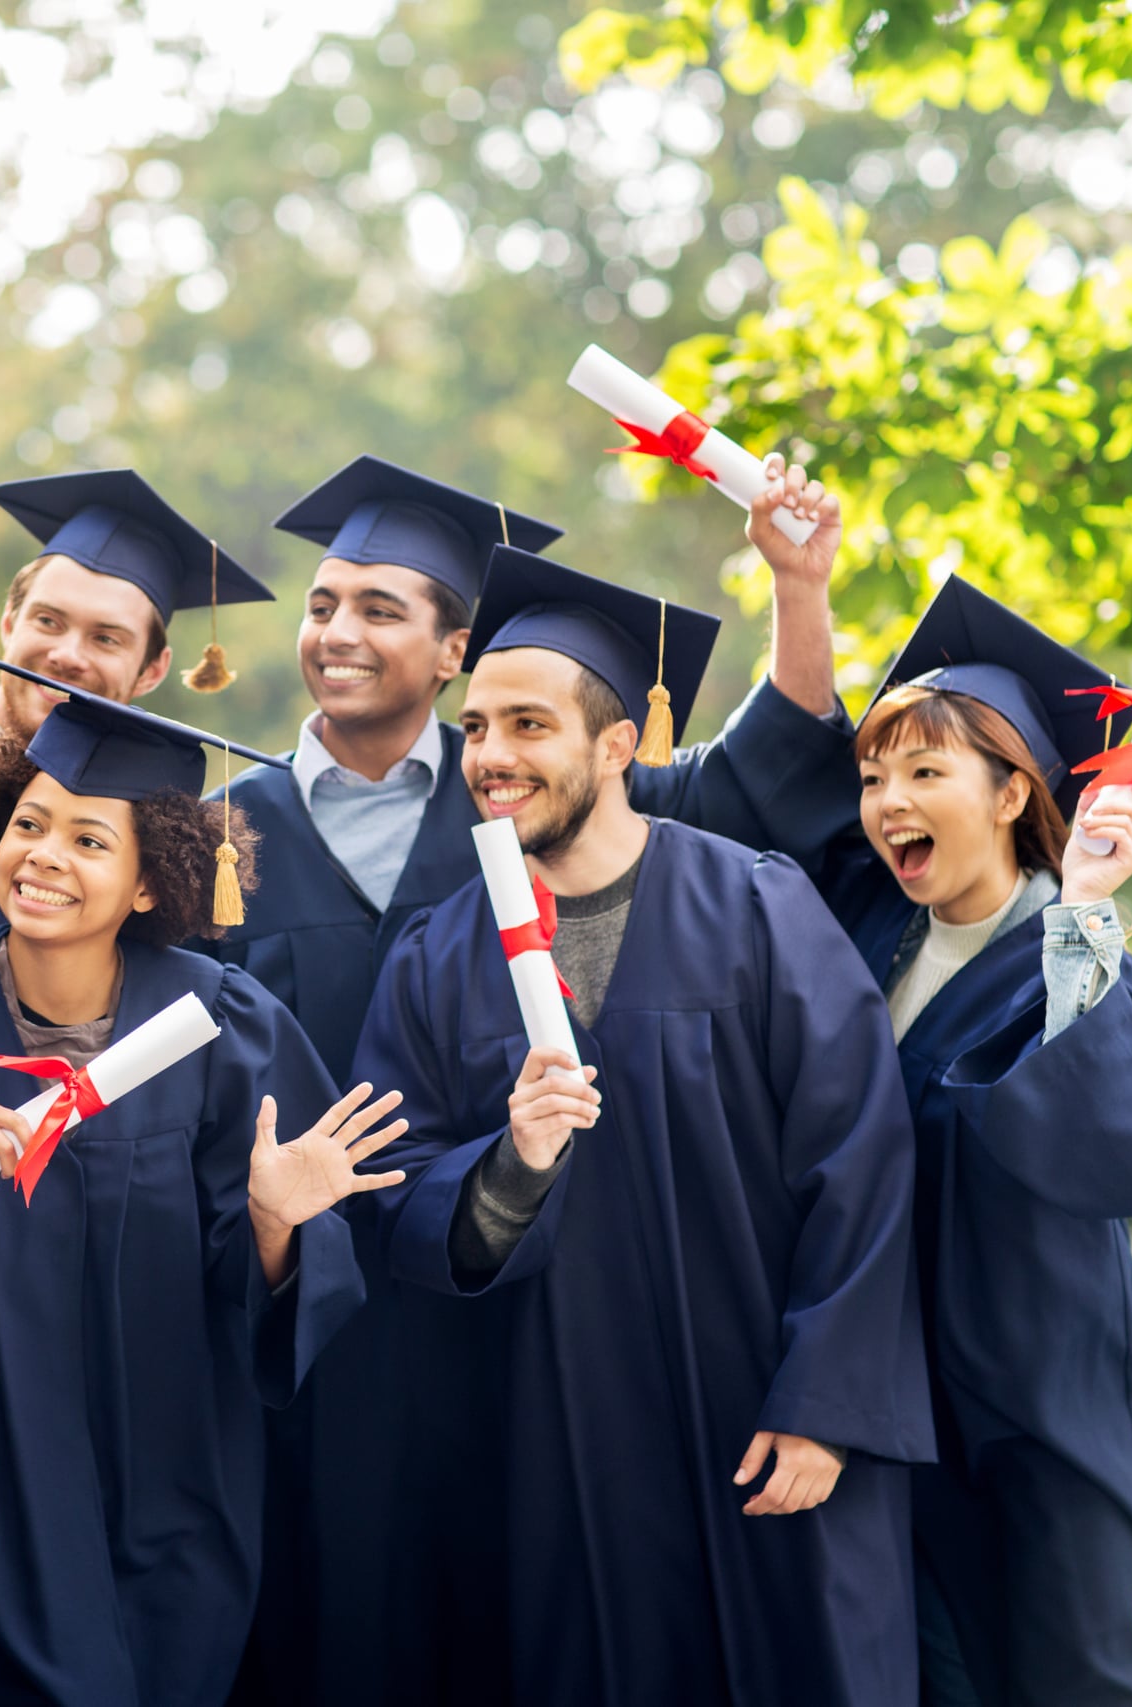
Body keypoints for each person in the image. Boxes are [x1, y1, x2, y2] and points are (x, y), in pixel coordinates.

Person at [221, 455, 866, 1707]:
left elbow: (856, 1154)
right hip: (410, 1330)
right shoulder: (224, 840)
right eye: (321, 603)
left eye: (383, 607)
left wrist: (799, 585)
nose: (496, 753)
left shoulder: (688, 874)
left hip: (662, 1347)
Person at [350, 547, 933, 1706]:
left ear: (617, 746)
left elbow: (860, 1164)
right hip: (548, 1440)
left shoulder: (758, 906)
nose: (492, 758)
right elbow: (390, 1188)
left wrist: (824, 1406)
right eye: (474, 731)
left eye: (528, 726)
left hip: (756, 1424)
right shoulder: (433, 952)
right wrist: (507, 1169)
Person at [0, 663, 406, 1706]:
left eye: (88, 839)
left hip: (166, 1497)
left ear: (152, 879)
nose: (44, 857)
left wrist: (272, 1223)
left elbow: (269, 1304)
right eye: (30, 823)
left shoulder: (226, 1030)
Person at [733, 561, 1132, 1707]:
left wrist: (1086, 901)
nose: (885, 803)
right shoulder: (865, 924)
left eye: (925, 771)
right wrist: (796, 581)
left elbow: (1109, 1154)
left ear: (1011, 793)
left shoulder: (1073, 954)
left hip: (1040, 1409)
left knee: (1057, 1682)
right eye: (876, 775)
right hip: (889, 1407)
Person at [0, 470, 271, 944]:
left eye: (105, 638)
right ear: (8, 623)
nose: (67, 656)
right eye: (48, 621)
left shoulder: (153, 826)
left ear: (153, 670)